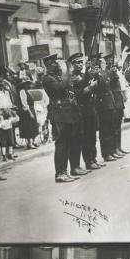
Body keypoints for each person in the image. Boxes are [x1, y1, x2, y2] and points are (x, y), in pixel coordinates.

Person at [41, 53, 77, 183]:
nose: (57, 65)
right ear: (49, 65)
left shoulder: (56, 77)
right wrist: (68, 72)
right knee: (61, 144)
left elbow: (67, 88)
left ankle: (64, 171)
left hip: (65, 112)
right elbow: (61, 88)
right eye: (54, 63)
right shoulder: (47, 79)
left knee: (66, 143)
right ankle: (59, 173)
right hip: (58, 113)